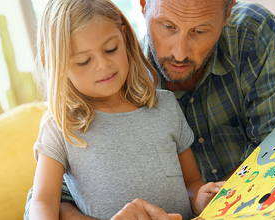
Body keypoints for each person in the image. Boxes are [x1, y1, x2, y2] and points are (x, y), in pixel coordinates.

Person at [57, 0, 275, 219]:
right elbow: (52, 199)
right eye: (168, 27)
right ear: (144, 5)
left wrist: (206, 199)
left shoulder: (255, 34)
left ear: (227, 13)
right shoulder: (112, 80)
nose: (179, 53)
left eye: (200, 31)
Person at [25, 0, 225, 219]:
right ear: (57, 64)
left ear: (124, 37)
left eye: (111, 49)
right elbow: (43, 202)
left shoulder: (165, 105)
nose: (103, 64)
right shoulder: (60, 126)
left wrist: (199, 198)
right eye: (84, 61)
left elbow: (191, 183)